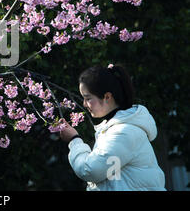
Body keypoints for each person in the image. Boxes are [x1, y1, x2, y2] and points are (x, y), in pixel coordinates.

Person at [59, 63, 166, 191]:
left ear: (107, 97)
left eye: (88, 98)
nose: (84, 104)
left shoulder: (123, 132)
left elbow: (90, 171)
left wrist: (74, 140)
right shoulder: (116, 128)